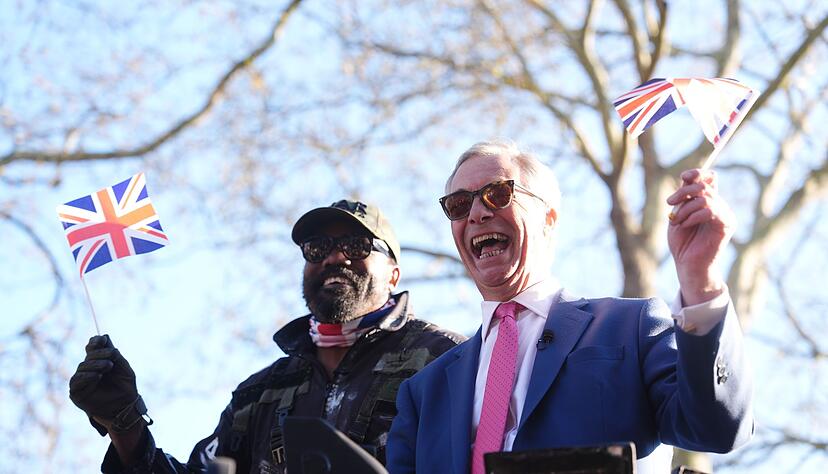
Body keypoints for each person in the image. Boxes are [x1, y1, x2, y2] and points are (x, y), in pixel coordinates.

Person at [386, 141, 754, 474]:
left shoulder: (630, 326)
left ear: (548, 218)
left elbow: (716, 427)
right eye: (459, 204)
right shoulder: (424, 392)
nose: (477, 213)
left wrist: (699, 278)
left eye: (497, 194)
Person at [70, 199, 464, 473]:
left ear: (393, 273)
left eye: (357, 245)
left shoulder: (446, 360)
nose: (334, 257)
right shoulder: (260, 393)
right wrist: (125, 424)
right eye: (317, 247)